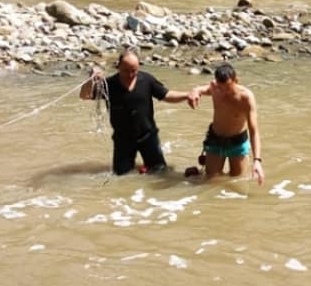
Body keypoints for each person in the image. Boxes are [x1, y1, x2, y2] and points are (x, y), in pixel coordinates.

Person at [80, 47, 198, 175]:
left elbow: (167, 95)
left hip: (148, 136)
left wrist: (187, 95)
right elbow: (84, 96)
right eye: (126, 71)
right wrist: (90, 80)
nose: (130, 75)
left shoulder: (147, 80)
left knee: (160, 173)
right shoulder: (109, 84)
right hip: (122, 139)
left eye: (134, 71)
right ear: (118, 67)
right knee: (121, 177)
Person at [189, 63, 264, 185]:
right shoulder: (215, 87)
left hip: (237, 144)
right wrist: (195, 91)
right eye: (220, 87)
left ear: (236, 80)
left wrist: (257, 161)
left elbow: (254, 131)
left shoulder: (246, 98)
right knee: (210, 181)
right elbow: (204, 89)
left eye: (227, 87)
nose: (224, 91)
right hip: (215, 141)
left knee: (237, 180)